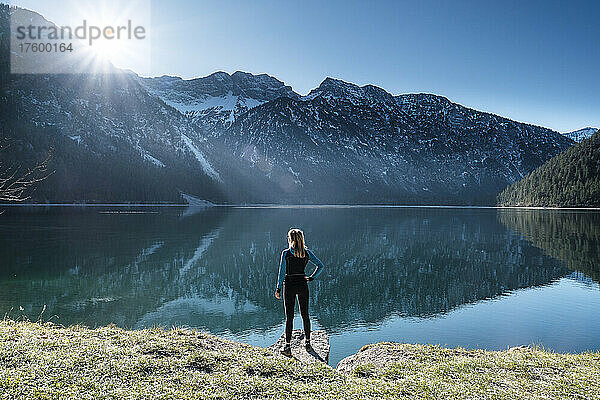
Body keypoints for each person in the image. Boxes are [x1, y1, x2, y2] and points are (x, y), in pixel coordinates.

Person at [274, 228, 325, 356]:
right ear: (301, 239)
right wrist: (312, 277)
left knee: (289, 317)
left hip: (289, 285)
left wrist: (278, 288)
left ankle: (287, 347)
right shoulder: (306, 253)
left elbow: (281, 272)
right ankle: (307, 343)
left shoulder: (286, 253)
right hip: (303, 285)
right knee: (305, 315)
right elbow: (320, 266)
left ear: (290, 239)